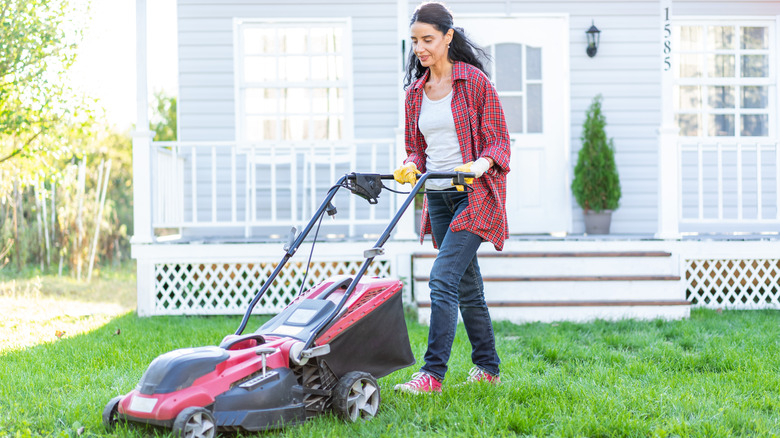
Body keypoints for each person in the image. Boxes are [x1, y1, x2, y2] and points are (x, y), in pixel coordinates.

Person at [393, 1, 511, 394]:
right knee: (466, 286)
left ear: (448, 37)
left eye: (427, 39)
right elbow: (416, 148)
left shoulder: (474, 82)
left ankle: (432, 376)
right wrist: (411, 164)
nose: (420, 48)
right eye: (414, 41)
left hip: (473, 195)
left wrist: (481, 163)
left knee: (442, 279)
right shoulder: (415, 93)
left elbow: (499, 140)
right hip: (438, 197)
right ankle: (488, 368)